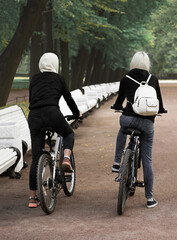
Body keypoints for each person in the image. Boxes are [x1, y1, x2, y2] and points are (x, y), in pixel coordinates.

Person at [111, 51, 166, 208]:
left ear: (132, 63)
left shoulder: (125, 79)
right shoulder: (153, 79)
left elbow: (119, 101)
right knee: (147, 159)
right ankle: (149, 198)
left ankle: (116, 162)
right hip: (146, 124)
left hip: (128, 119)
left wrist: (117, 107)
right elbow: (159, 104)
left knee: (122, 130)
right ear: (147, 64)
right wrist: (161, 110)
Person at [28, 52, 81, 208]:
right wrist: (77, 113)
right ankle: (65, 159)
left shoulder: (35, 79)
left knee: (36, 157)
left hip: (34, 116)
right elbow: (68, 98)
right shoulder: (59, 79)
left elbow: (32, 99)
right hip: (52, 113)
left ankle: (32, 198)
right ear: (55, 64)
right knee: (68, 133)